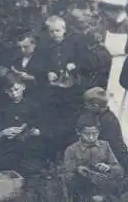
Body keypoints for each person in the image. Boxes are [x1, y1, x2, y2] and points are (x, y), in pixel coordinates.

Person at [37, 16, 87, 161]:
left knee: (70, 122)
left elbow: (85, 62)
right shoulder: (45, 47)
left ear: (64, 30)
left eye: (58, 31)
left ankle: (70, 155)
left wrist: (75, 66)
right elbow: (39, 65)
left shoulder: (74, 44)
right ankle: (55, 155)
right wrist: (48, 72)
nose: (55, 34)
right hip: (54, 92)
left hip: (72, 91)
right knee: (54, 121)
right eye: (51, 31)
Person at [0, 77, 43, 176]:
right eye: (10, 91)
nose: (14, 94)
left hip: (28, 147)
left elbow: (40, 124)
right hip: (7, 147)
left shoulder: (33, 106)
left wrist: (35, 131)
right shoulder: (1, 107)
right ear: (5, 91)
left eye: (16, 89)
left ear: (23, 87)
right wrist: (3, 132)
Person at [62, 115, 124, 202]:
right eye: (87, 134)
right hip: (82, 191)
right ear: (78, 132)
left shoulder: (105, 145)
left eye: (95, 134)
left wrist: (109, 167)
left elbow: (118, 169)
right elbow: (67, 170)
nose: (91, 137)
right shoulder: (71, 149)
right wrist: (77, 169)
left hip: (104, 190)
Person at [80, 87, 128, 171]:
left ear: (95, 106)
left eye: (87, 105)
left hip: (115, 157)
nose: (86, 107)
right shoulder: (100, 115)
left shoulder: (108, 120)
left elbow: (109, 143)